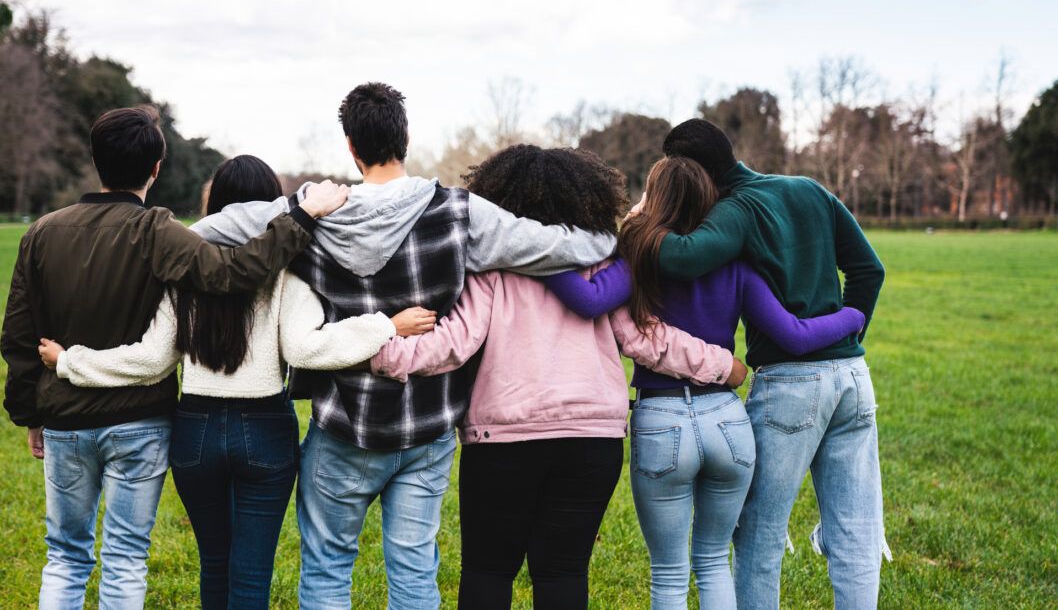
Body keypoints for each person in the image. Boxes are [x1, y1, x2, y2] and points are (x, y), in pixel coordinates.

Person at [188, 83, 617, 610]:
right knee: (414, 570)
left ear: (350, 147)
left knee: (326, 567)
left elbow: (206, 232)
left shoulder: (315, 211)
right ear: (406, 138)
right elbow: (557, 246)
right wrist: (615, 238)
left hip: (345, 422)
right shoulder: (462, 214)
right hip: (426, 426)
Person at [34, 155, 433, 609]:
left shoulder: (183, 271)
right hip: (263, 429)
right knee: (250, 575)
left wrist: (70, 362)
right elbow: (306, 349)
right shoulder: (288, 271)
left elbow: (150, 361)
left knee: (214, 566)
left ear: (216, 203)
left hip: (195, 432)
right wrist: (386, 326)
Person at [369, 145, 747, 610]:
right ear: (585, 197)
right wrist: (722, 365)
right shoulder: (600, 266)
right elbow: (647, 339)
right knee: (563, 573)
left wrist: (376, 351)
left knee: (488, 571)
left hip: (502, 441)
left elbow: (451, 343)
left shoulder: (492, 268)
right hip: (591, 442)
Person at [0, 107, 348, 610]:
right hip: (141, 421)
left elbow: (18, 335)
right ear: (157, 168)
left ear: (94, 159)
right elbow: (231, 273)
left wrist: (31, 412)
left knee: (65, 557)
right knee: (125, 557)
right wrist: (301, 218)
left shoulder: (41, 232)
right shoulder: (157, 231)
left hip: (71, 419)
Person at [545, 155, 866, 609]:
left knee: (670, 574)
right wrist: (852, 315)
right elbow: (794, 335)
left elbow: (592, 300)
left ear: (652, 199)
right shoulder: (736, 267)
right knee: (714, 561)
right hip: (728, 424)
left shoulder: (637, 260)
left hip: (662, 421)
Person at [652, 119, 886, 610]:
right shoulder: (808, 188)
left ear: (692, 172)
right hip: (853, 380)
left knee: (759, 534)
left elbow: (678, 257)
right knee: (857, 532)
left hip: (790, 387)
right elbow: (869, 269)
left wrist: (644, 214)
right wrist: (850, 332)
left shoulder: (737, 210)